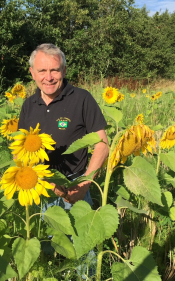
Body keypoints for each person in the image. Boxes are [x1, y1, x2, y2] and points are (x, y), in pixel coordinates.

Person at [18, 43, 109, 207]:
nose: (49, 77)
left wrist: (83, 184)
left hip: (72, 187)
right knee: (45, 231)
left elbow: (102, 145)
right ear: (32, 73)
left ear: (64, 71)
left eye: (54, 70)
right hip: (39, 186)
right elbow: (19, 151)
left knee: (79, 232)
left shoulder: (81, 99)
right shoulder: (29, 105)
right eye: (42, 71)